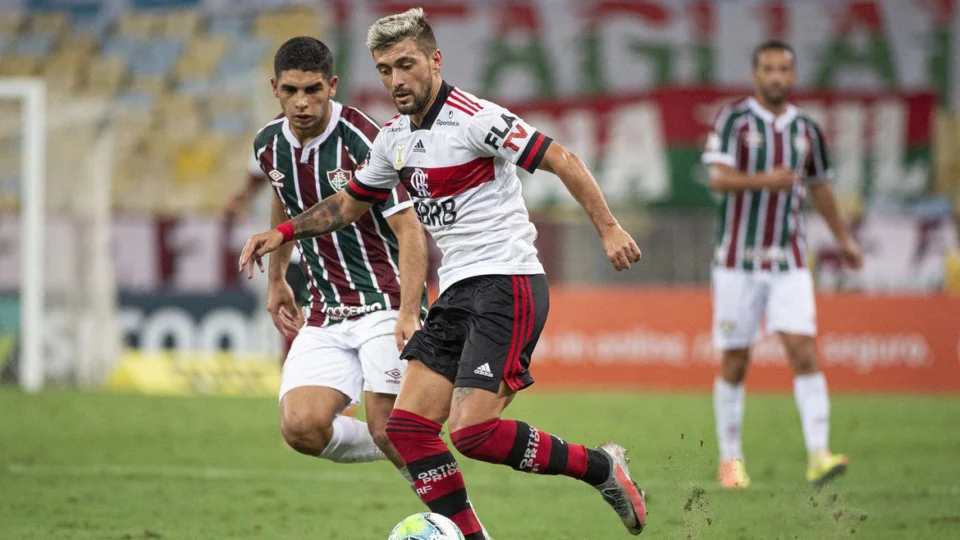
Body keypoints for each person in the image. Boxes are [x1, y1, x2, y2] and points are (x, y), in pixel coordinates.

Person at [240, 9, 647, 538]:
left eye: (406, 65)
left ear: (435, 60)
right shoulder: (394, 139)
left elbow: (562, 158)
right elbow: (348, 204)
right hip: (457, 290)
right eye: (385, 70)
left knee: (472, 432)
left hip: (510, 281)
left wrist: (609, 228)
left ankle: (602, 468)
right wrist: (285, 234)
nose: (396, 80)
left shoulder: (475, 118)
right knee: (408, 431)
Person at [248, 36, 429, 482]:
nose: (302, 102)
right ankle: (404, 442)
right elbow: (283, 197)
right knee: (301, 427)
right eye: (291, 91)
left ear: (332, 85)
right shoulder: (268, 143)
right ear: (275, 88)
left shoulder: (364, 139)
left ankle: (462, 527)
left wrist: (408, 311)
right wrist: (277, 281)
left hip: (382, 302)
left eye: (312, 90)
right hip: (326, 310)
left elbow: (410, 231)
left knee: (391, 428)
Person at [701, 40, 864, 489]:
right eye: (769, 68)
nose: (777, 76)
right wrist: (763, 180)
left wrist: (843, 239)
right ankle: (730, 460)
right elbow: (717, 177)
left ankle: (819, 454)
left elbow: (820, 188)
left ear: (793, 76)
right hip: (736, 261)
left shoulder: (806, 129)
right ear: (755, 74)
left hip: (789, 259)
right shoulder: (733, 120)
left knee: (803, 349)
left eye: (785, 69)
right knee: (736, 358)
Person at [225, 151, 310, 362]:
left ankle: (295, 360)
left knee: (308, 314)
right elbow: (254, 180)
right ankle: (292, 361)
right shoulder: (271, 142)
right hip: (293, 250)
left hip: (326, 248)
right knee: (294, 311)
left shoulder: (344, 136)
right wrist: (243, 198)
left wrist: (243, 196)